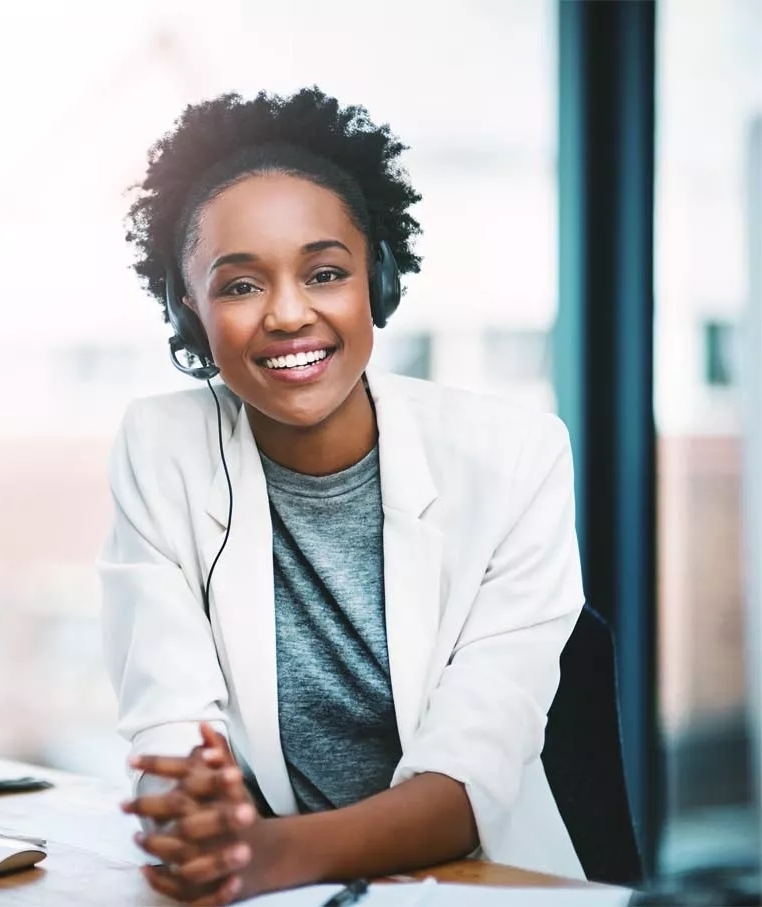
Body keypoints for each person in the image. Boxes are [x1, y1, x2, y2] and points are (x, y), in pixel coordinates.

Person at [100, 87, 586, 905]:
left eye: (324, 273)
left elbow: (468, 776)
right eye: (239, 285)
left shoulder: (515, 457)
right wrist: (186, 809)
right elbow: (168, 722)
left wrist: (259, 854)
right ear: (190, 309)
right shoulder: (161, 446)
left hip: (474, 885)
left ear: (379, 280)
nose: (288, 314)